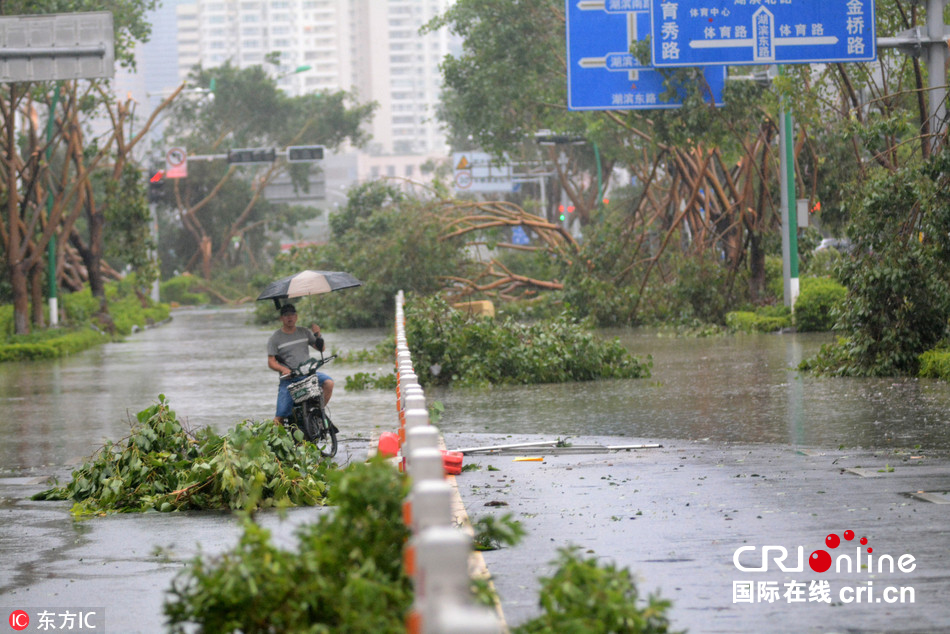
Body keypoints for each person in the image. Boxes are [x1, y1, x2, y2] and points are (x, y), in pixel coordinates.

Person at [267, 303, 333, 425]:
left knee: (329, 383)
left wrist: (318, 334)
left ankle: (318, 413)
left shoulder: (304, 332)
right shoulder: (275, 338)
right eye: (286, 315)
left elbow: (321, 348)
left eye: (292, 315)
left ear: (296, 316)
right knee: (279, 417)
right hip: (289, 380)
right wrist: (282, 369)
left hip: (308, 375)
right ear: (281, 318)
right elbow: (271, 362)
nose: (289, 318)